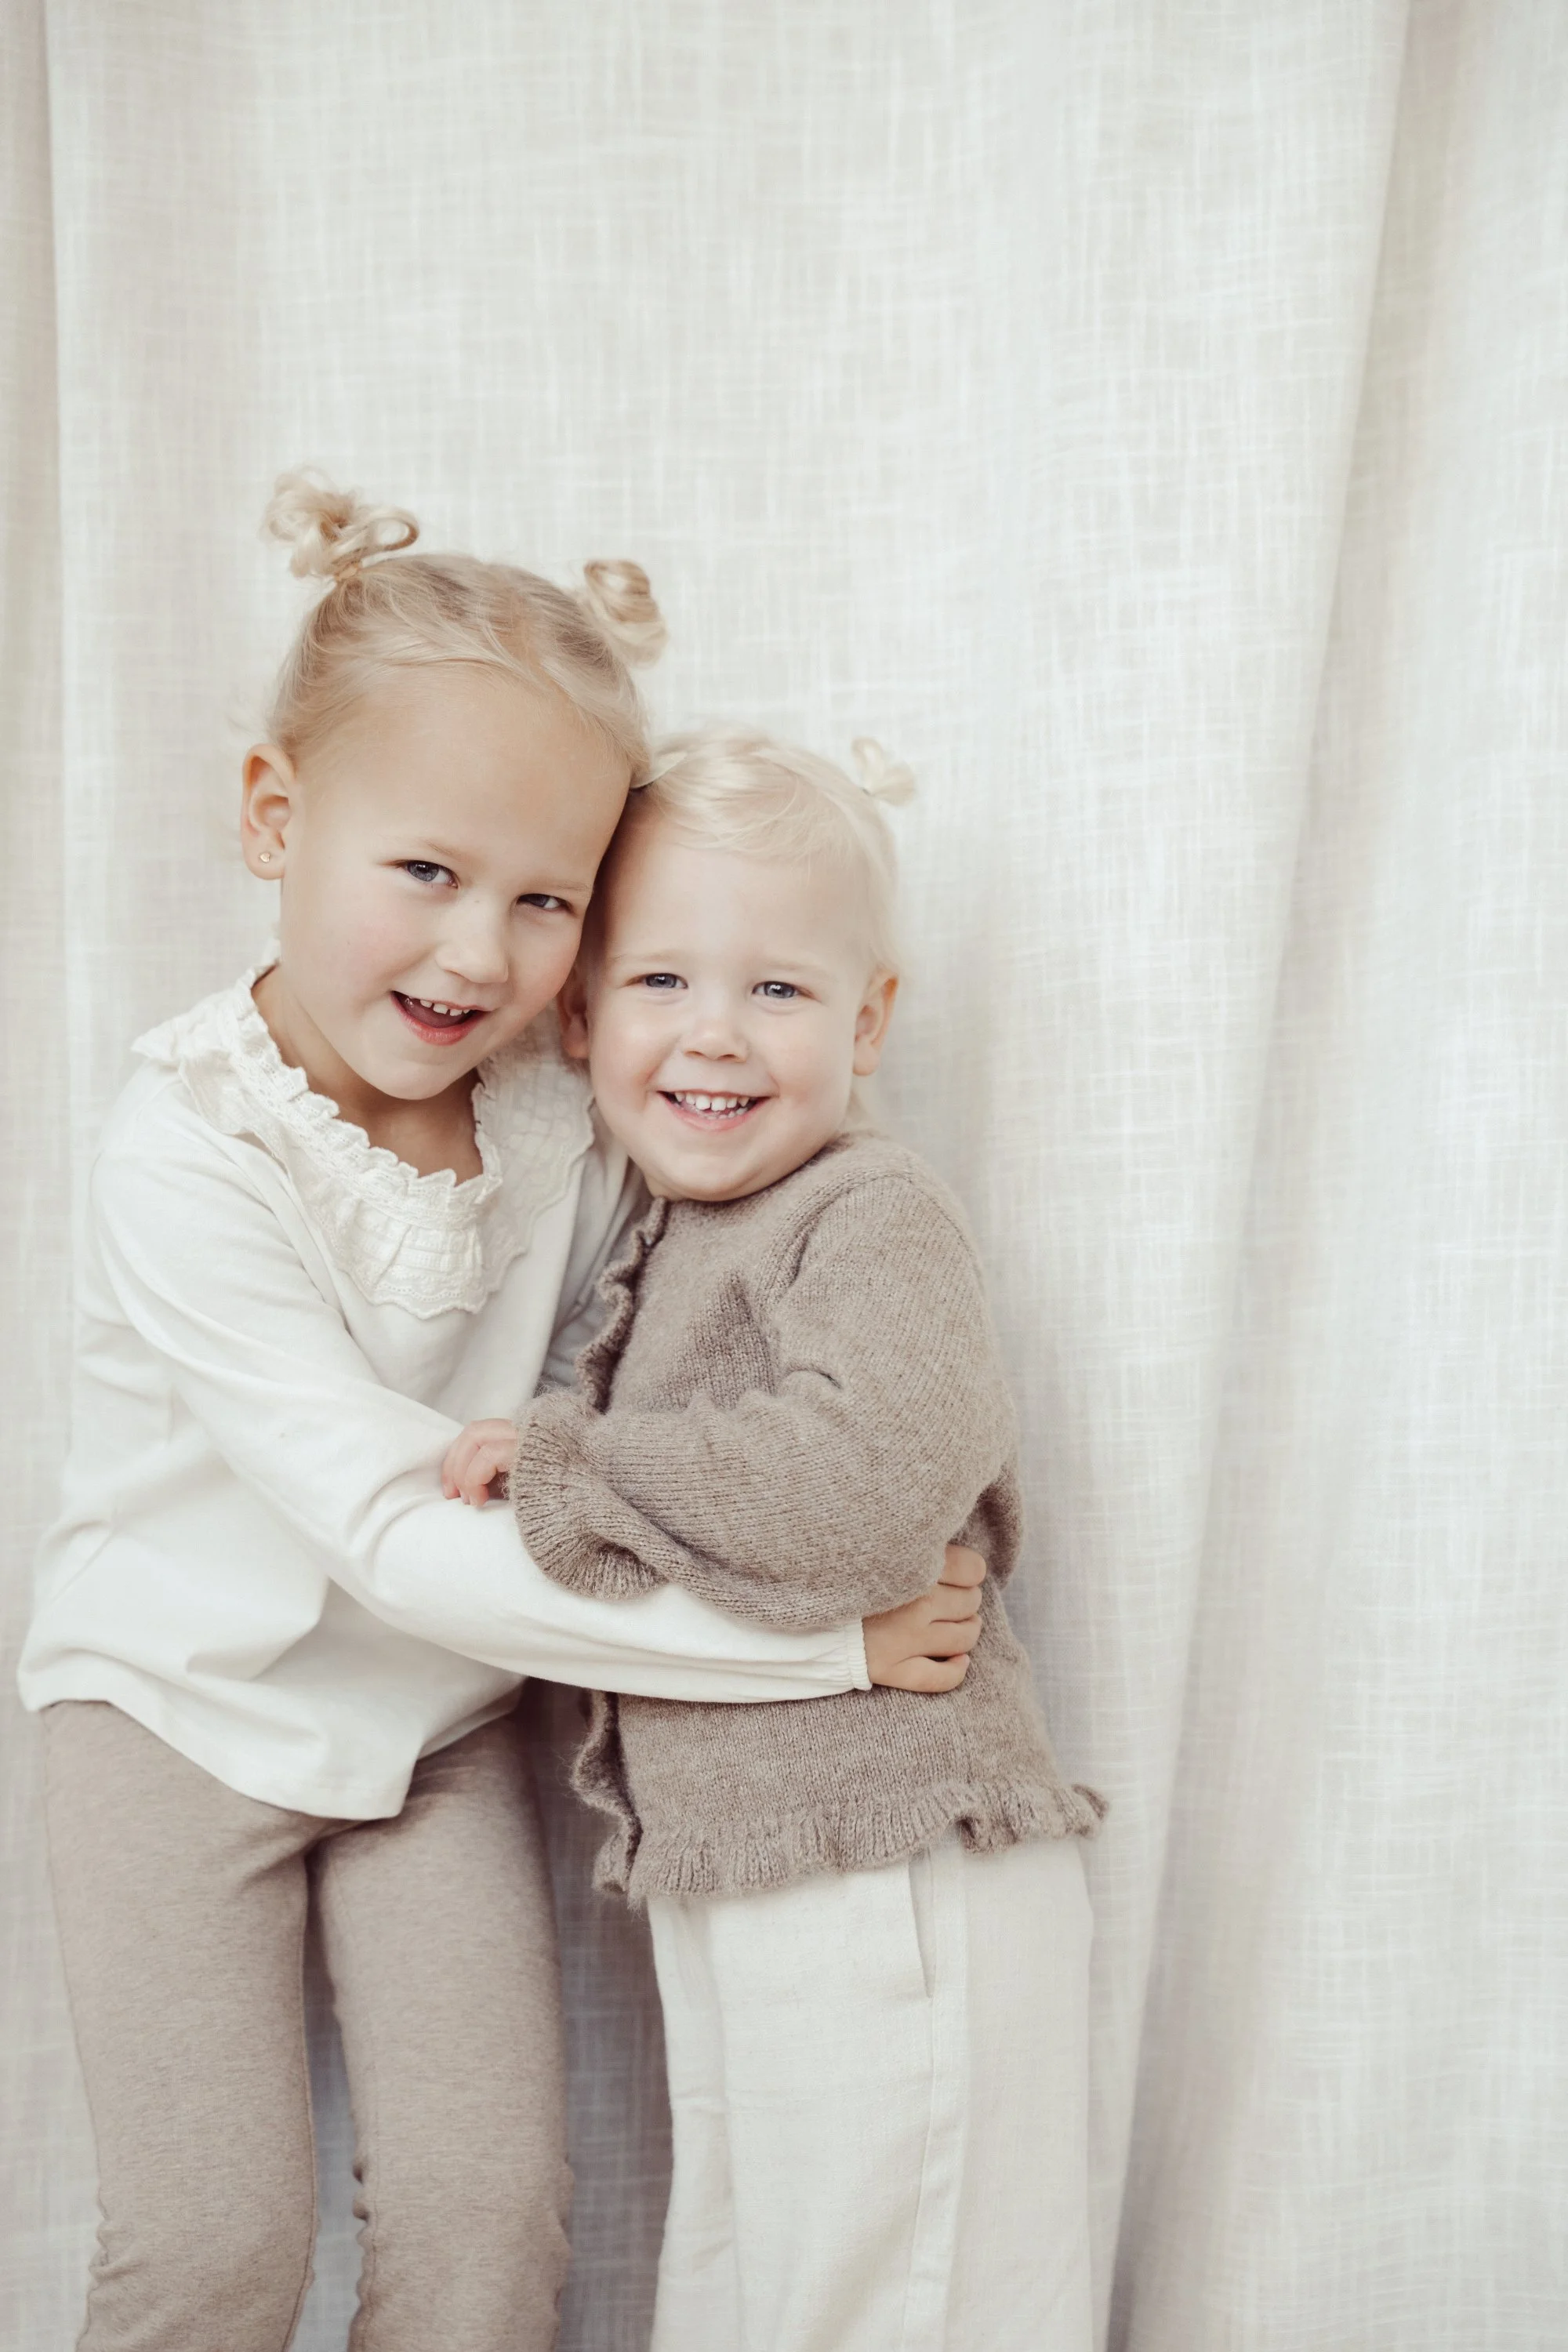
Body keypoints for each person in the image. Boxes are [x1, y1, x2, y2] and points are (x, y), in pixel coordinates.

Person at [17, 477, 985, 2352]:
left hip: (440, 1723)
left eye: (547, 903)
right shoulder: (190, 1149)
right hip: (172, 1710)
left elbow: (721, 1209)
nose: (479, 958)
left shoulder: (548, 1110)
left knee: (484, 2229)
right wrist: (818, 1656)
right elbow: (393, 1533)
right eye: (427, 874)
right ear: (272, 818)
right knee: (213, 2247)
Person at [444, 728, 1107, 2352]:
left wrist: (572, 1463)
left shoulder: (865, 1213)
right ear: (583, 1017)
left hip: (886, 1861)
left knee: (886, 2301)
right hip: (765, 1868)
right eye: (663, 982)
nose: (715, 1038)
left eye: (782, 992)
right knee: (753, 2291)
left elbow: (866, 1489)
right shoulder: (670, 1235)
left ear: (869, 1019)